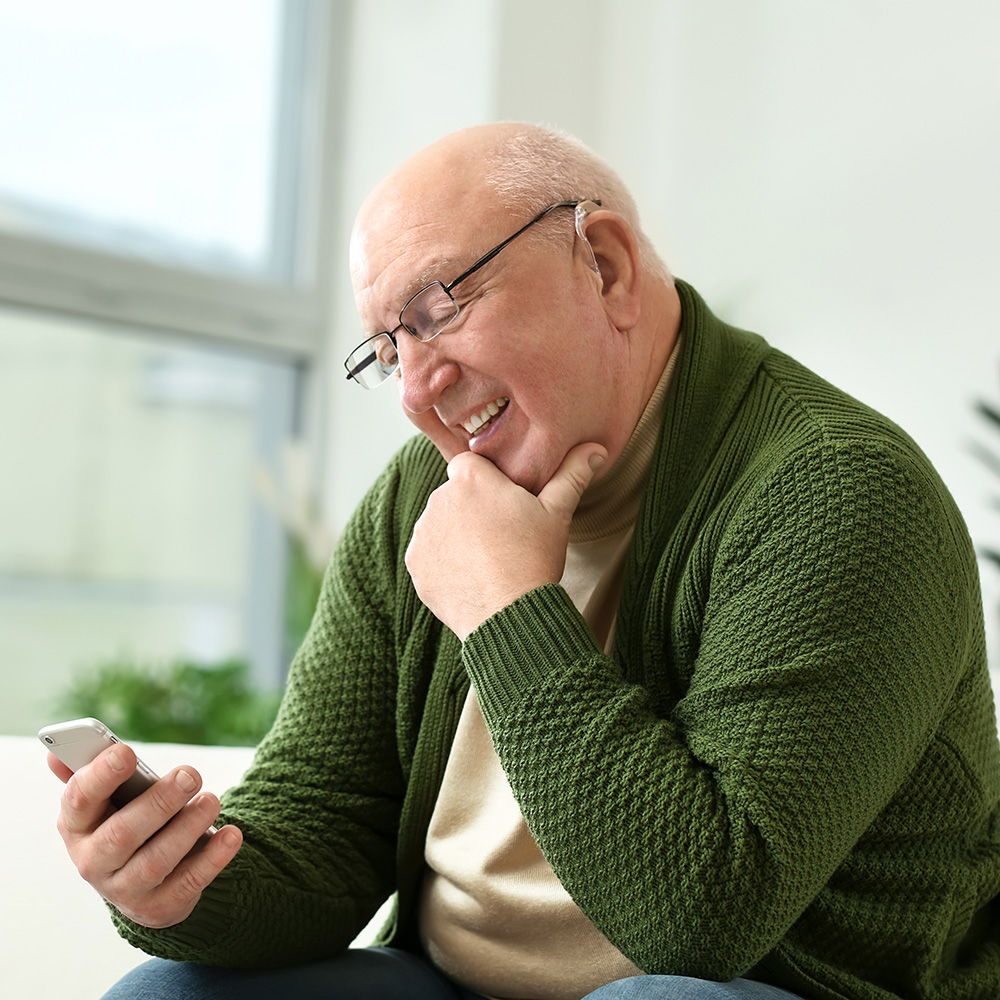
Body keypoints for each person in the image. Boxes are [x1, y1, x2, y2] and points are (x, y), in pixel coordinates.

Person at [47, 123, 1000, 1000]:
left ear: (606, 264)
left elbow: (701, 919)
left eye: (438, 307)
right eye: (386, 347)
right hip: (455, 985)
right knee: (167, 995)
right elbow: (325, 825)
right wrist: (176, 883)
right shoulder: (419, 498)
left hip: (761, 989)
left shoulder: (838, 492)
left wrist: (507, 609)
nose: (419, 388)